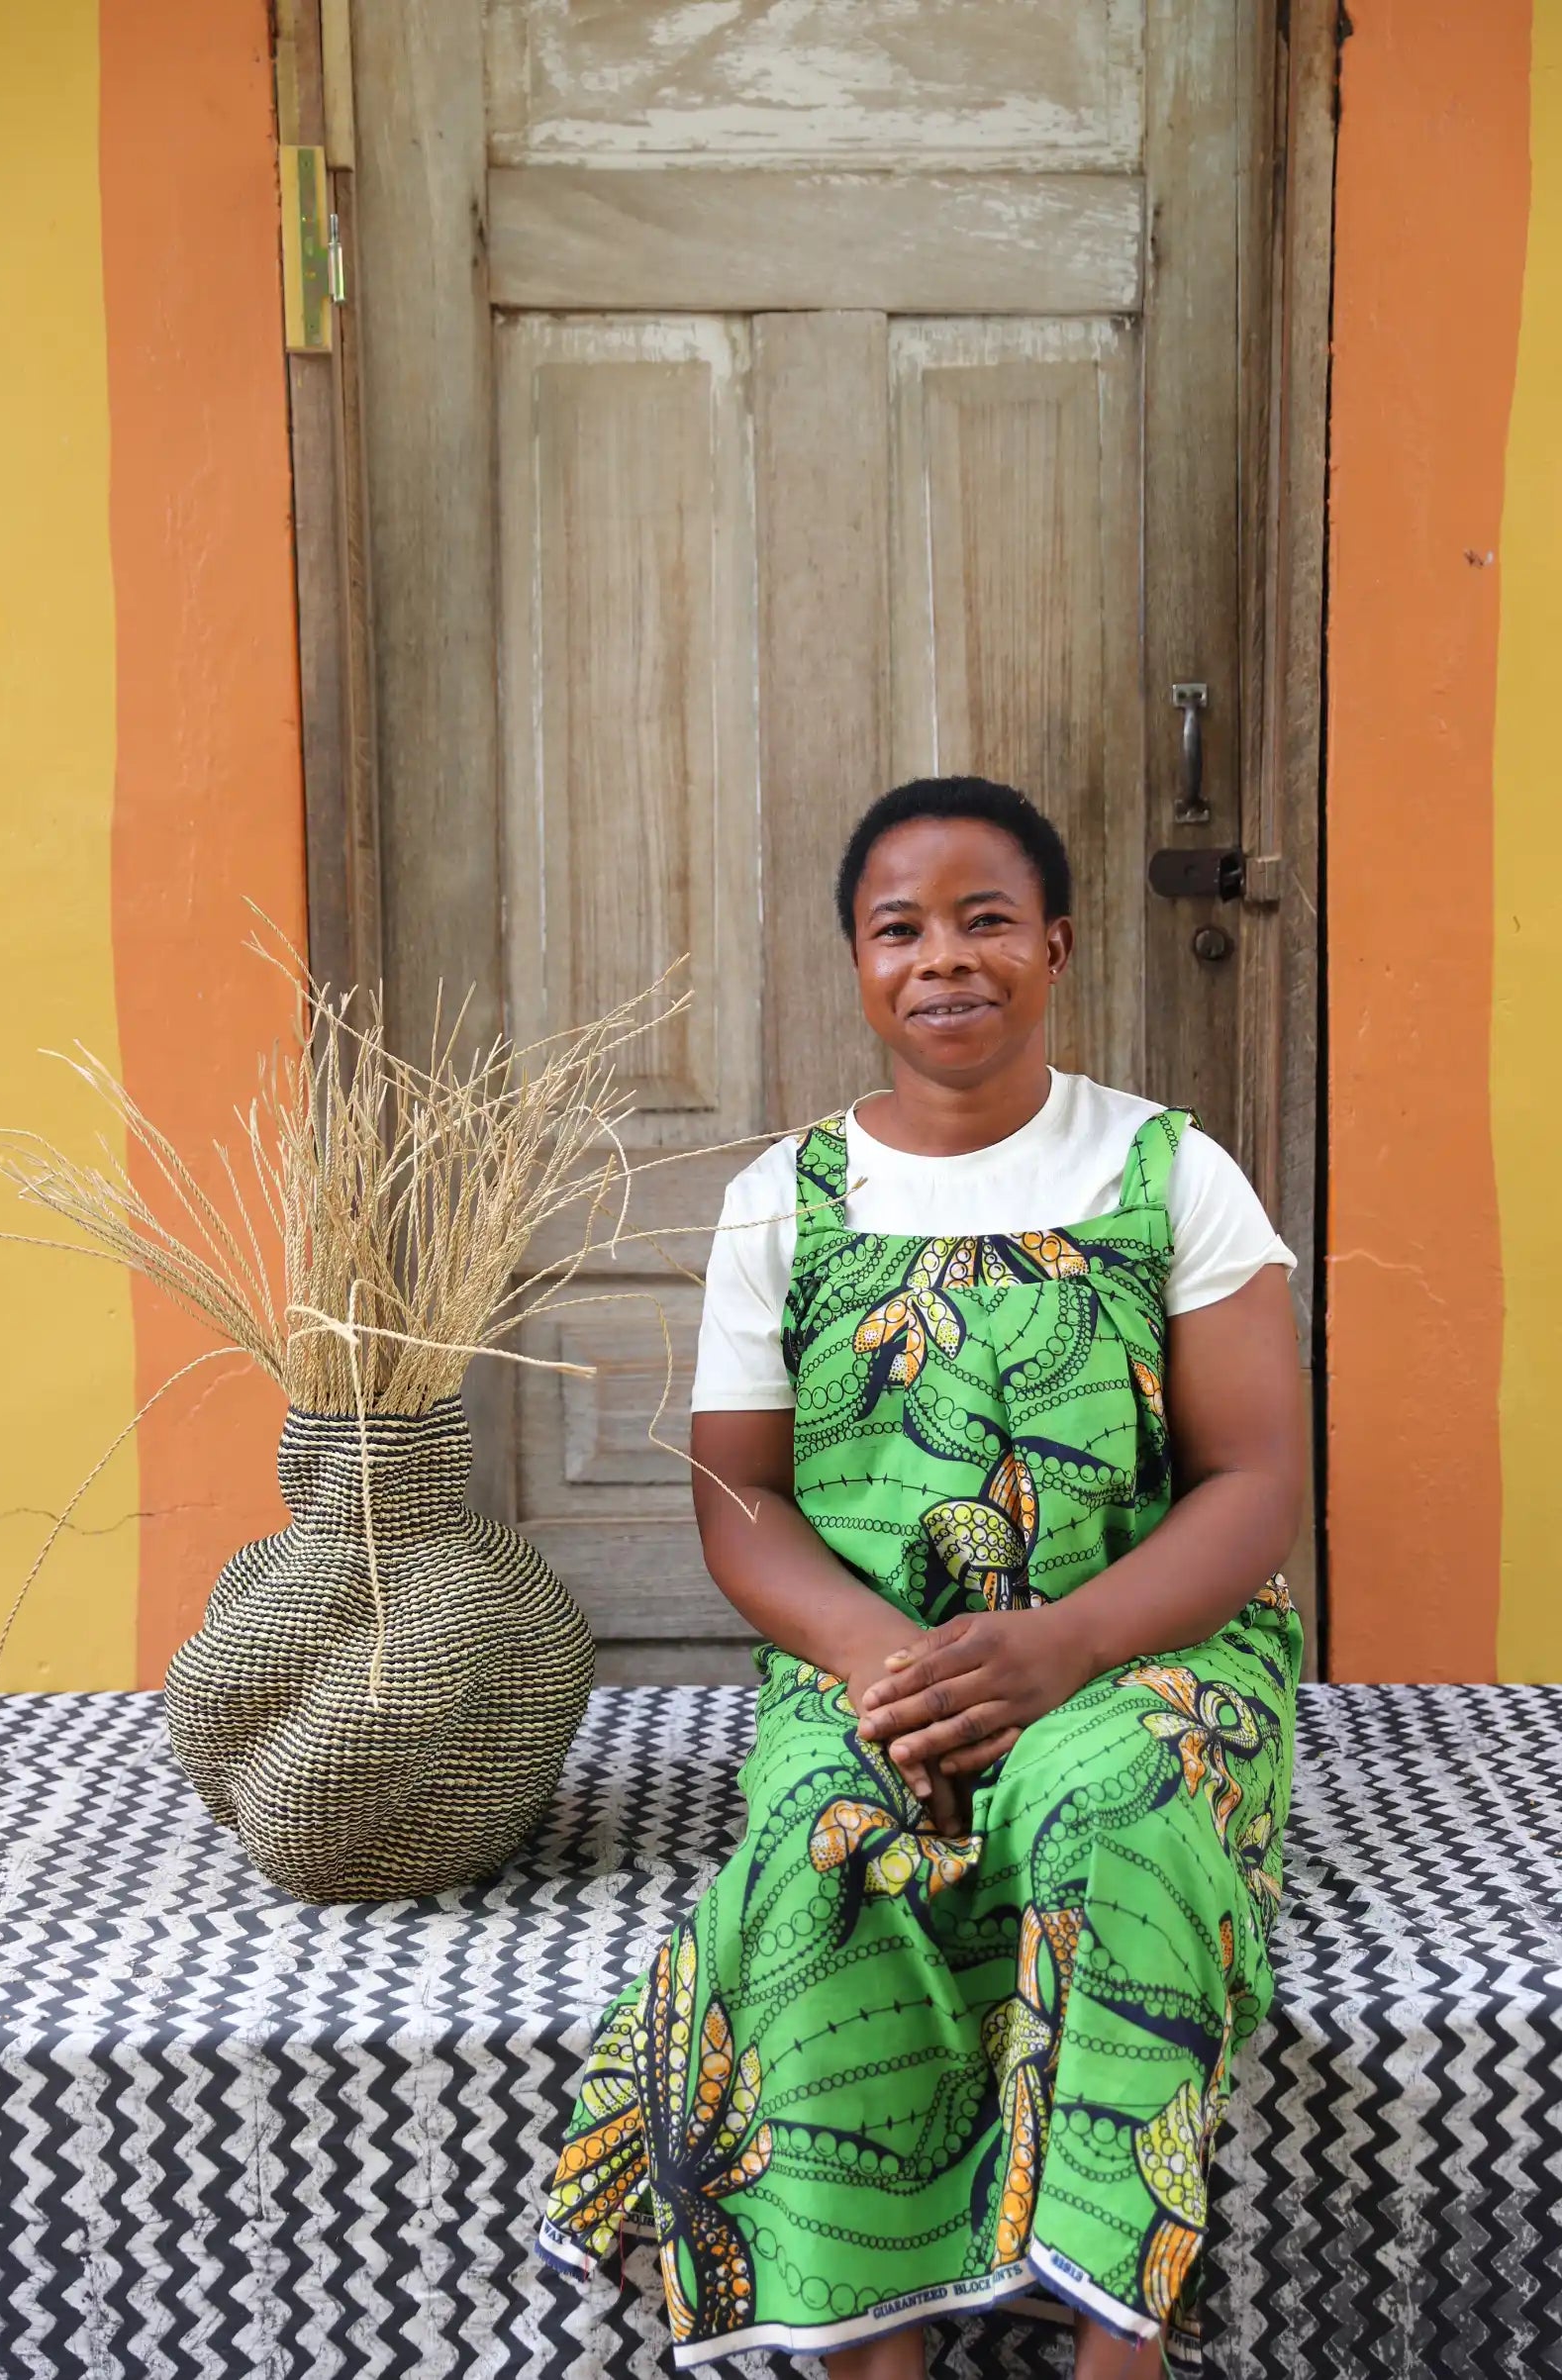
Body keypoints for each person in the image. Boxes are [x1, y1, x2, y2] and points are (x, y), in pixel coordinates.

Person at [538, 776, 1304, 2376]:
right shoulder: (788, 1201)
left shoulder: (1169, 1173)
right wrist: (894, 1660)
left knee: (1106, 1810)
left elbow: (1254, 1485)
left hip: (1151, 1647)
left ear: (1058, 945)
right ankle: (866, 2344)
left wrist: (1066, 1647)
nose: (944, 958)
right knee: (822, 1856)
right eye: (901, 929)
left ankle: (1117, 2340)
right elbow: (739, 1491)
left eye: (986, 920)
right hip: (870, 1656)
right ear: (858, 963)